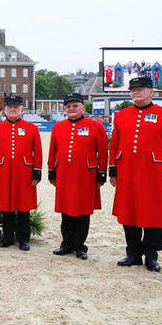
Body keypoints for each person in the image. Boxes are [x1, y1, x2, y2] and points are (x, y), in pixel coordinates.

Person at [109, 76, 162, 272]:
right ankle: (133, 252)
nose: (136, 92)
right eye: (133, 89)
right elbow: (115, 143)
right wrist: (113, 169)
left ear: (152, 92)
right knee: (129, 211)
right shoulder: (122, 115)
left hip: (155, 173)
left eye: (141, 88)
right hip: (127, 171)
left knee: (154, 213)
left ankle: (151, 254)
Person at [48, 93, 108, 260]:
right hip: (64, 174)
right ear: (64, 109)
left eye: (75, 106)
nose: (72, 109)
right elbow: (53, 150)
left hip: (86, 175)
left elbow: (103, 152)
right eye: (68, 106)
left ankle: (80, 245)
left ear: (83, 108)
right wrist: (52, 171)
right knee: (65, 210)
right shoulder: (58, 127)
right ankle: (67, 243)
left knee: (83, 210)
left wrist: (101, 174)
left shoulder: (95, 127)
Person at [0, 94, 42, 250]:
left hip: (24, 172)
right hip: (3, 171)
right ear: (4, 110)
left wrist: (36, 173)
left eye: (16, 107)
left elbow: (37, 152)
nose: (12, 109)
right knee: (6, 207)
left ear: (21, 109)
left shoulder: (32, 128)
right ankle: (7, 237)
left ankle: (24, 239)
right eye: (9, 107)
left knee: (24, 207)